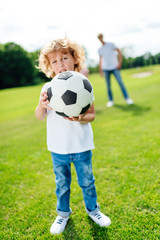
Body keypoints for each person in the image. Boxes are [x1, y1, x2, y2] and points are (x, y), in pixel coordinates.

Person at [35, 38, 111, 235]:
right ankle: (62, 213)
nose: (60, 64)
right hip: (58, 148)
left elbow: (92, 115)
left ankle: (94, 210)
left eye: (64, 58)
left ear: (75, 59)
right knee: (62, 184)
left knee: (87, 181)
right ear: (48, 66)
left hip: (81, 146)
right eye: (54, 61)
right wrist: (41, 106)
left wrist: (81, 118)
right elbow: (39, 116)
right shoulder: (47, 88)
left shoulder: (83, 83)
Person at [97, 33, 134, 107]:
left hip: (114, 67)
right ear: (98, 39)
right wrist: (100, 70)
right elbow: (100, 60)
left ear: (103, 37)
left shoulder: (111, 44)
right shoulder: (100, 49)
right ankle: (110, 101)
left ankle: (127, 98)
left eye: (101, 37)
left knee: (120, 82)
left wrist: (120, 63)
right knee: (108, 86)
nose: (100, 39)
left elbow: (119, 52)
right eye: (99, 38)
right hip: (106, 68)